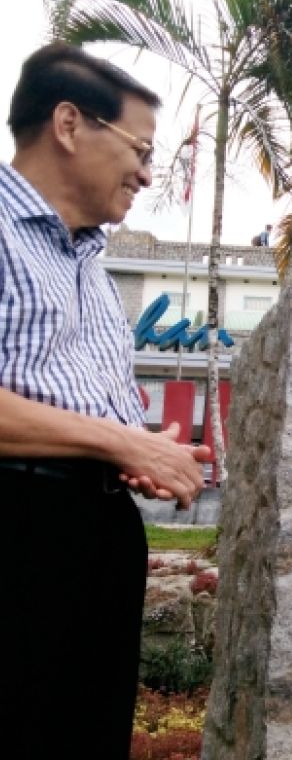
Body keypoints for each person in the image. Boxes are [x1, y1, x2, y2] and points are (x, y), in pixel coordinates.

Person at [0, 43, 210, 759]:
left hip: (97, 534)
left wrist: (138, 452)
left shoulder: (91, 265)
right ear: (68, 124)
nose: (149, 173)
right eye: (140, 149)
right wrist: (124, 443)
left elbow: (78, 407)